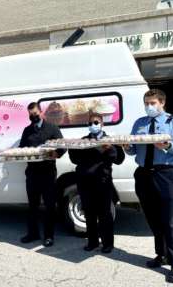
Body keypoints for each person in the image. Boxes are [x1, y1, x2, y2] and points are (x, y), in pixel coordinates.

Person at [125, 89, 173, 283]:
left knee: (170, 221)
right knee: (152, 218)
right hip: (144, 174)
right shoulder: (140, 123)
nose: (149, 106)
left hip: (166, 174)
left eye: (152, 103)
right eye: (146, 103)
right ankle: (161, 254)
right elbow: (133, 149)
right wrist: (127, 147)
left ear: (162, 102)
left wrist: (169, 147)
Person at [68, 113, 125, 253]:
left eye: (95, 122)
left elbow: (119, 159)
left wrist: (110, 148)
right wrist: (71, 147)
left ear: (102, 124)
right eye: (90, 123)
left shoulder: (110, 140)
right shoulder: (83, 141)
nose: (93, 125)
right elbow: (75, 160)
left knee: (105, 213)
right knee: (89, 213)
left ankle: (107, 243)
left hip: (102, 181)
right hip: (85, 182)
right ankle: (92, 242)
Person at [19, 102, 65, 247]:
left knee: (49, 206)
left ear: (41, 112)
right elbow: (21, 148)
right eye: (30, 114)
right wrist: (22, 153)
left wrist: (55, 153)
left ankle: (49, 236)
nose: (33, 116)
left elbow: (62, 147)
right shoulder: (27, 130)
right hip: (32, 173)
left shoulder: (52, 128)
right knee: (33, 205)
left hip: (48, 173)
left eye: (35, 113)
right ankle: (33, 233)